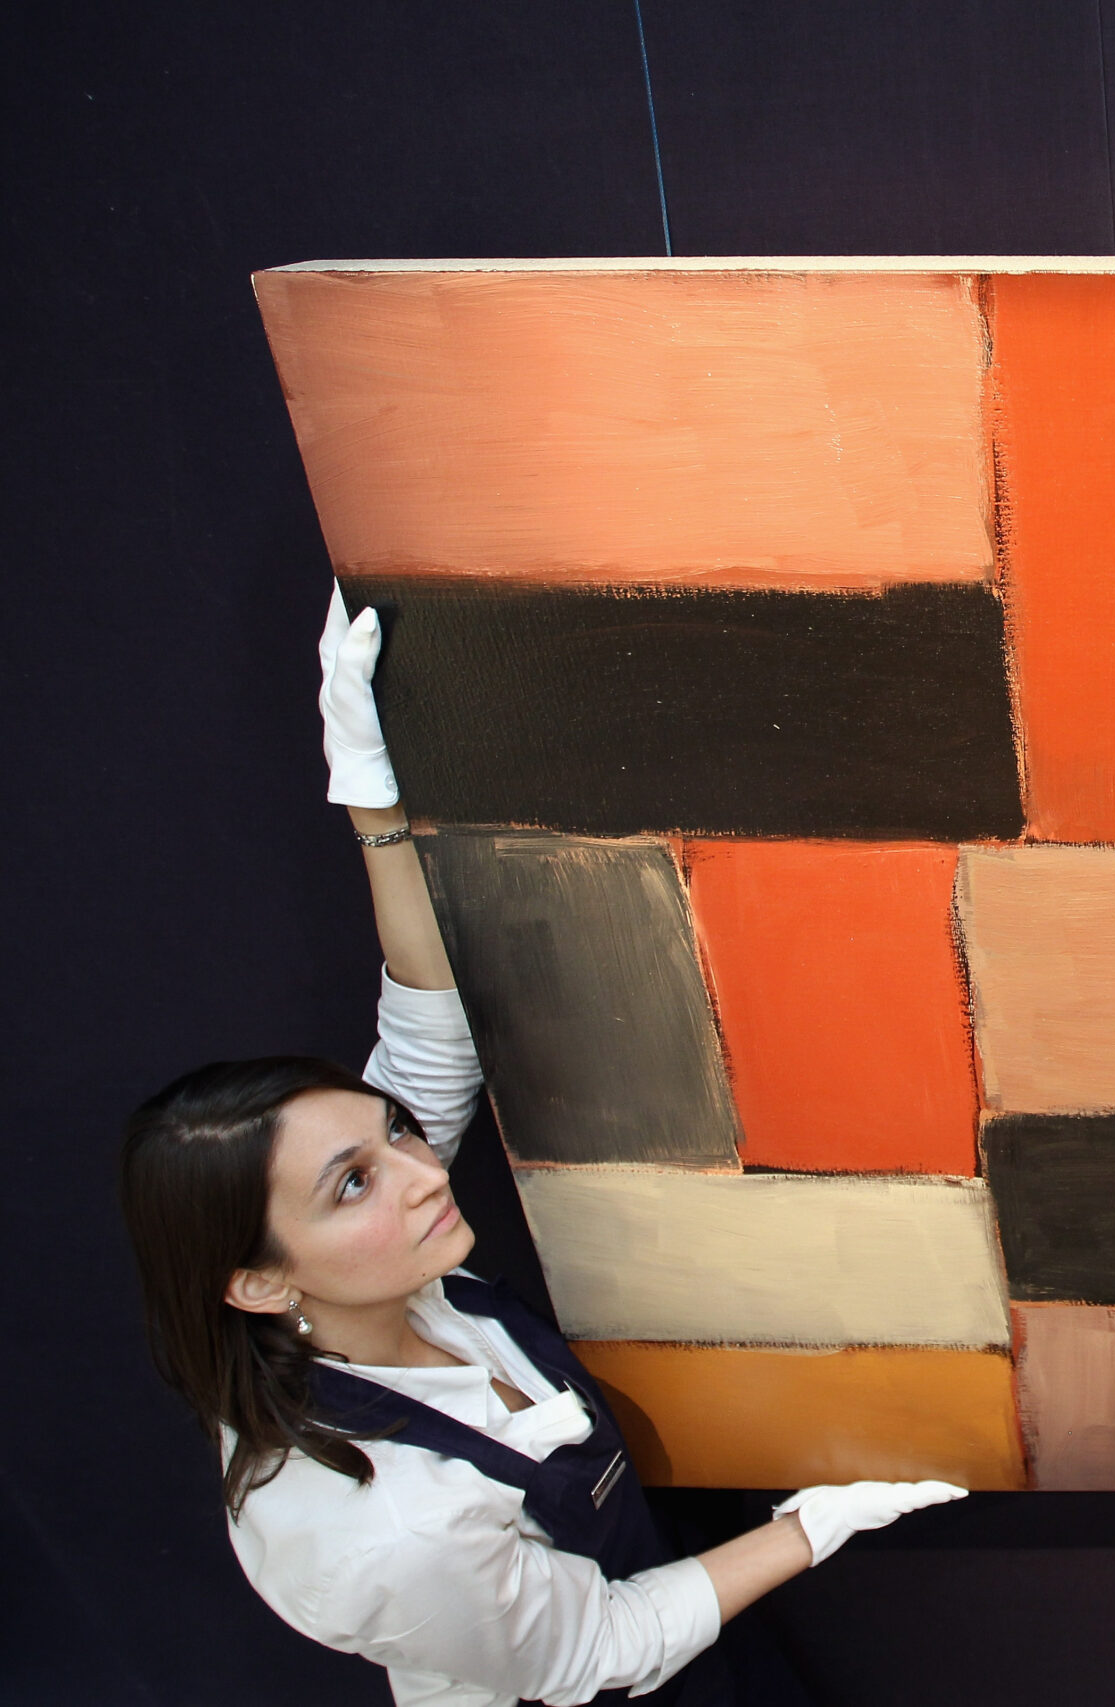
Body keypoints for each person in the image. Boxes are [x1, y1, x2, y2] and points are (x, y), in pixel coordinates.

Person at [117, 590, 964, 1706]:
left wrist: (372, 802)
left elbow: (430, 1025)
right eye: (357, 1182)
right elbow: (602, 1649)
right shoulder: (385, 1527)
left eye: (395, 1138)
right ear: (257, 1281)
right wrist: (818, 1525)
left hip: (679, 1615)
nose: (427, 1173)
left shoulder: (357, 1286)